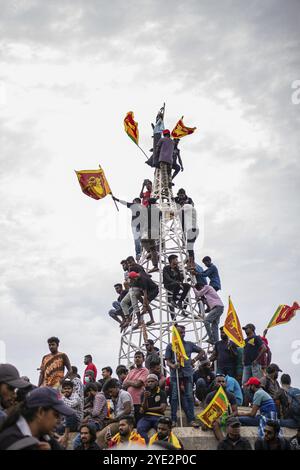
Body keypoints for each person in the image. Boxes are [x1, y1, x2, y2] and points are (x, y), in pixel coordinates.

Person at [0, 387, 75, 450]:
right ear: (40, 412)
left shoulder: (45, 438)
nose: (59, 421)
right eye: (56, 415)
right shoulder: (10, 442)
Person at [165, 324, 207, 428]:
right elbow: (167, 361)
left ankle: (191, 420)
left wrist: (194, 360)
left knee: (189, 396)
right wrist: (173, 365)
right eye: (180, 332)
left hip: (188, 372)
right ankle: (173, 420)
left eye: (184, 332)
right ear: (176, 333)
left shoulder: (189, 344)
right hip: (175, 374)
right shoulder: (171, 346)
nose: (183, 334)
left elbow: (202, 351)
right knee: (174, 397)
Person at [98, 378, 134, 449]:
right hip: (118, 421)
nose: (110, 394)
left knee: (100, 436)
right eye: (109, 393)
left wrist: (114, 420)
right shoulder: (114, 397)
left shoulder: (124, 394)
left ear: (115, 387)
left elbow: (128, 410)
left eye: (111, 391)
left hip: (127, 421)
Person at [204, 374, 238, 441]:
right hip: (214, 418)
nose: (221, 383)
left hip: (227, 418)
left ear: (226, 383)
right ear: (215, 383)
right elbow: (206, 412)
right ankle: (223, 444)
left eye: (223, 382)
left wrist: (229, 416)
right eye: (219, 382)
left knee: (236, 422)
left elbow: (235, 411)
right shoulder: (210, 396)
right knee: (215, 424)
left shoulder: (231, 395)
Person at [137, 374, 167, 442]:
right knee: (140, 428)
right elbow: (143, 408)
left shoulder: (162, 393)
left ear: (156, 382)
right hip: (146, 417)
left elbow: (162, 408)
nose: (150, 383)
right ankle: (149, 446)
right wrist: (145, 398)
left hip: (158, 416)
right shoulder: (143, 394)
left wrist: (147, 409)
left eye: (152, 381)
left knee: (162, 430)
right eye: (148, 382)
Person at [112, 196, 142, 261]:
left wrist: (116, 199)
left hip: (136, 225)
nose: (132, 202)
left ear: (136, 201)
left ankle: (138, 253)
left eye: (133, 201)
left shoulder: (134, 205)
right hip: (141, 226)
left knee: (137, 240)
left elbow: (124, 203)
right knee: (141, 240)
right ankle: (140, 253)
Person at [122, 351, 149, 425]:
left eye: (139, 357)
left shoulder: (145, 371)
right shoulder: (131, 371)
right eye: (135, 357)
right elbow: (124, 384)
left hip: (138, 403)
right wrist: (133, 382)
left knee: (138, 424)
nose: (137, 359)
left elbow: (138, 384)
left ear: (143, 359)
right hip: (129, 403)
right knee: (130, 425)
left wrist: (129, 382)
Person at [163, 254, 191, 319]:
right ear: (172, 260)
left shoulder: (176, 269)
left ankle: (180, 301)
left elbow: (179, 279)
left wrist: (182, 283)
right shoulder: (166, 268)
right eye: (176, 259)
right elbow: (167, 278)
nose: (177, 261)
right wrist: (177, 282)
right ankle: (173, 300)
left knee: (187, 286)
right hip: (169, 285)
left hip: (176, 286)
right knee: (177, 284)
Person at [57, 379, 83, 448]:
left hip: (76, 422)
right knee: (56, 429)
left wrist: (62, 398)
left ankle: (66, 435)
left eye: (69, 388)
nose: (67, 390)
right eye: (65, 389)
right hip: (66, 423)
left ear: (72, 389)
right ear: (62, 390)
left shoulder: (76, 396)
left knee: (70, 412)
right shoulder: (62, 398)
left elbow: (71, 405)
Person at [140, 198, 161, 273]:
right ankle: (152, 255)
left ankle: (154, 264)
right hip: (156, 230)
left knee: (146, 243)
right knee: (152, 247)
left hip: (150, 230)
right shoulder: (159, 211)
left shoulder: (147, 210)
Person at [242, 324, 266, 388]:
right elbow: (244, 351)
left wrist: (256, 360)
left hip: (255, 365)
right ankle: (247, 397)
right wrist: (243, 360)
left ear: (251, 329)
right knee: (245, 383)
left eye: (246, 329)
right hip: (246, 365)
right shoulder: (245, 340)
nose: (245, 330)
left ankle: (258, 396)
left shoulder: (256, 337)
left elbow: (264, 348)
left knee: (257, 383)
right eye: (245, 329)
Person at [156, 129, 174, 195]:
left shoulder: (162, 139)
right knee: (169, 174)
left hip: (163, 159)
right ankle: (170, 185)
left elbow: (157, 148)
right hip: (170, 160)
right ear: (169, 134)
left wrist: (156, 156)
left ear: (164, 134)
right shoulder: (172, 141)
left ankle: (166, 189)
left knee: (164, 174)